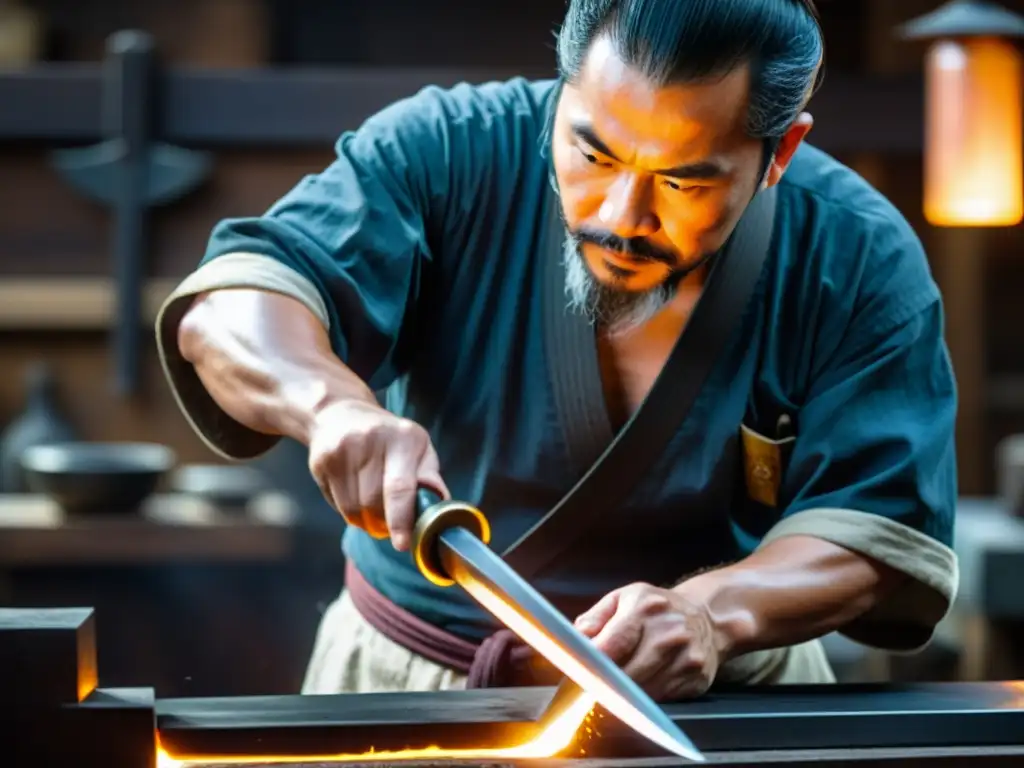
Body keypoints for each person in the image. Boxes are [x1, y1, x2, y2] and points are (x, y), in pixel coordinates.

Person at [155, 0, 959, 702]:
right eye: (593, 153)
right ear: (563, 91)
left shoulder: (855, 256)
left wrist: (714, 614)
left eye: (682, 181)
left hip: (721, 699)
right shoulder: (448, 151)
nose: (622, 213)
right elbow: (231, 307)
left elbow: (878, 530)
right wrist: (328, 404)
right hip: (410, 680)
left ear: (779, 152)